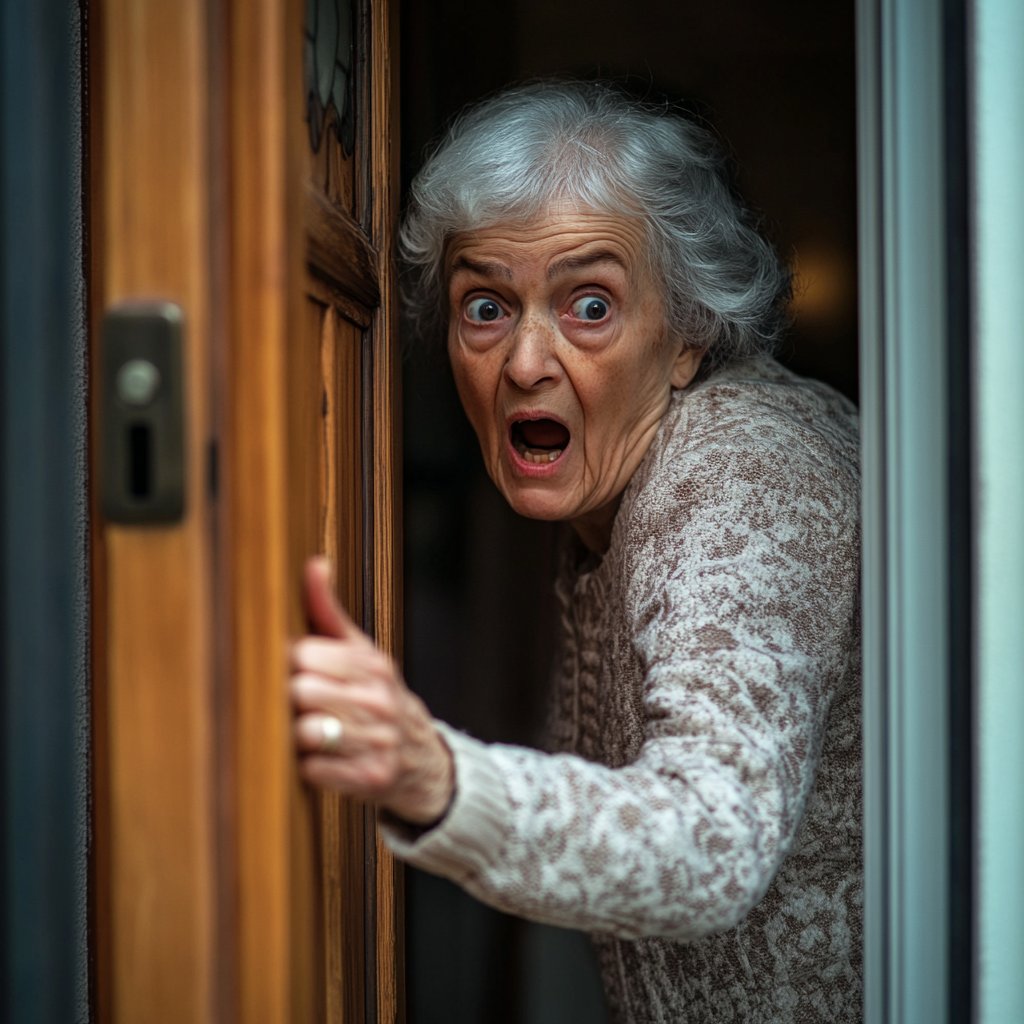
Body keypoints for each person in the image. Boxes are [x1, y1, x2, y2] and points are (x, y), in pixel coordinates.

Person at [290, 81, 861, 1023]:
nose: (523, 363)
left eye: (588, 304)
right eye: (486, 308)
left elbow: (714, 838)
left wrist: (436, 778)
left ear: (687, 335)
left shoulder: (746, 475)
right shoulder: (611, 496)